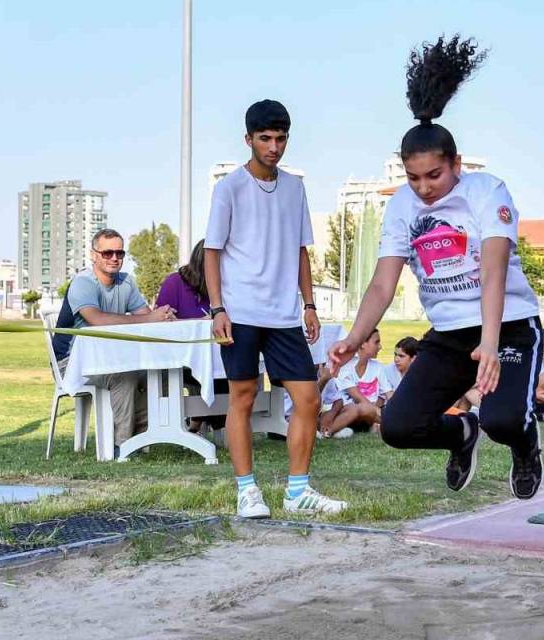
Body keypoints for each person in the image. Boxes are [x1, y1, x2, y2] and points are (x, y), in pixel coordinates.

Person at [328, 35, 544, 500]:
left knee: (503, 419)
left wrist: (490, 342)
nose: (424, 188)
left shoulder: (487, 191)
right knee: (399, 426)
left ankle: (525, 445)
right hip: (449, 335)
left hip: (506, 326)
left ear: (457, 165)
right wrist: (351, 337)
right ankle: (461, 435)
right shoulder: (403, 206)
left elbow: (492, 270)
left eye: (435, 175)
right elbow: (383, 282)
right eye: (413, 177)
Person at [206, 99, 348, 518]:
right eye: (265, 139)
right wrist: (217, 308)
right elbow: (212, 252)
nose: (274, 147)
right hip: (241, 311)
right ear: (248, 139)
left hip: (285, 314)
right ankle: (247, 491)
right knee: (243, 398)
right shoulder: (229, 187)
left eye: (281, 138)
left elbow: (301, 250)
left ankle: (298, 491)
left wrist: (309, 304)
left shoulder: (294, 187)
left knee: (306, 398)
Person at [52, 228, 176, 448]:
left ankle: (141, 436)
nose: (114, 258)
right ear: (93, 255)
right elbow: (97, 319)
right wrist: (150, 319)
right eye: (107, 253)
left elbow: (147, 316)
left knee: (165, 374)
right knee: (124, 376)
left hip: (111, 359)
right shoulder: (83, 282)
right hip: (72, 363)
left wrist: (163, 316)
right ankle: (122, 446)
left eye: (120, 253)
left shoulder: (126, 282)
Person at [157, 241, 229, 433]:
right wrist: (200, 321)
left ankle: (211, 422)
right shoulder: (174, 283)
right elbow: (160, 323)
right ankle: (205, 421)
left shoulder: (228, 287)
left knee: (233, 366)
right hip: (179, 357)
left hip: (219, 357)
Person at [324, 329, 393, 437]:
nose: (380, 347)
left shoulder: (377, 367)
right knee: (357, 409)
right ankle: (327, 432)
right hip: (345, 412)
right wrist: (382, 415)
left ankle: (376, 425)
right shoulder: (346, 367)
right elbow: (359, 399)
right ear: (362, 344)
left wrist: (399, 411)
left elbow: (389, 393)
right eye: (376, 342)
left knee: (367, 410)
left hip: (368, 414)